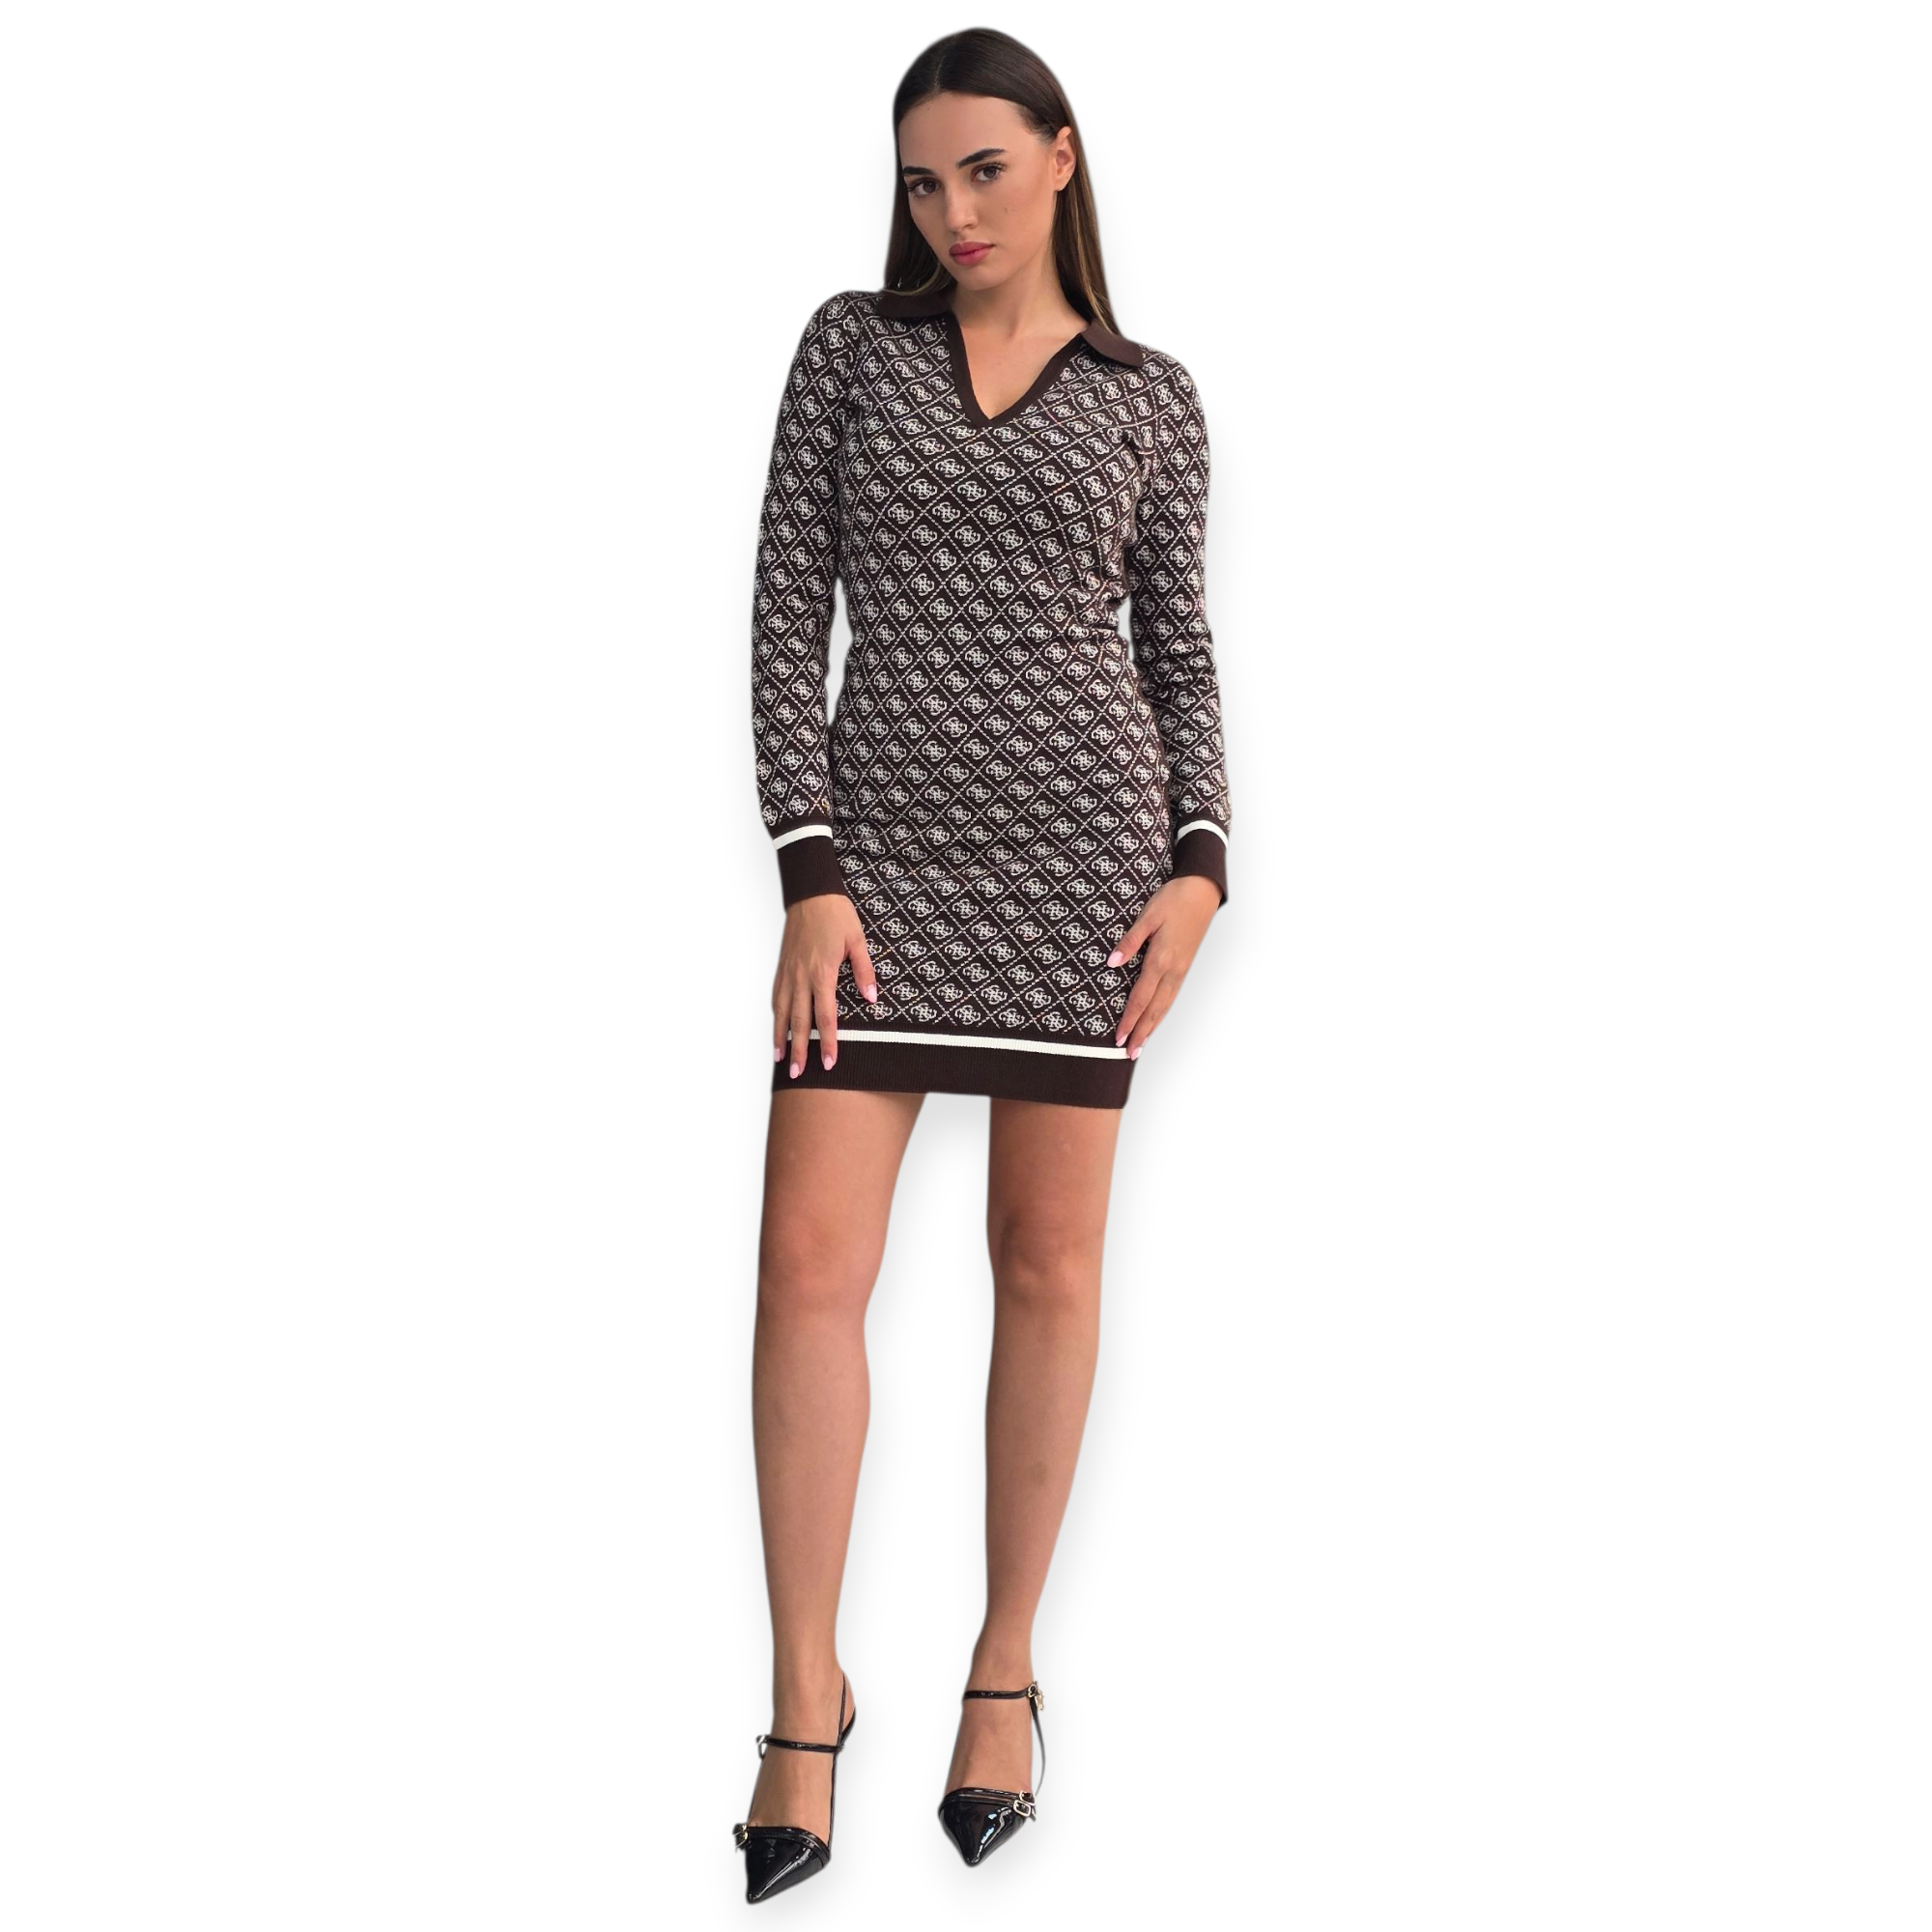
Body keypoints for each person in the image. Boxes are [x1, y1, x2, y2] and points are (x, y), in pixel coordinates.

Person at [732, 27, 1234, 1903]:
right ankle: (803, 1692)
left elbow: (1178, 648)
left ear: (1063, 158)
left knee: (1046, 1262)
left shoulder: (1150, 396)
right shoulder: (849, 352)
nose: (951, 210)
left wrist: (1202, 862)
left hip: (1084, 875)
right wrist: (808, 868)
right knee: (807, 1265)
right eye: (921, 180)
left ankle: (1004, 1668)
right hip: (876, 880)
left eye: (985, 171)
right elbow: (784, 611)